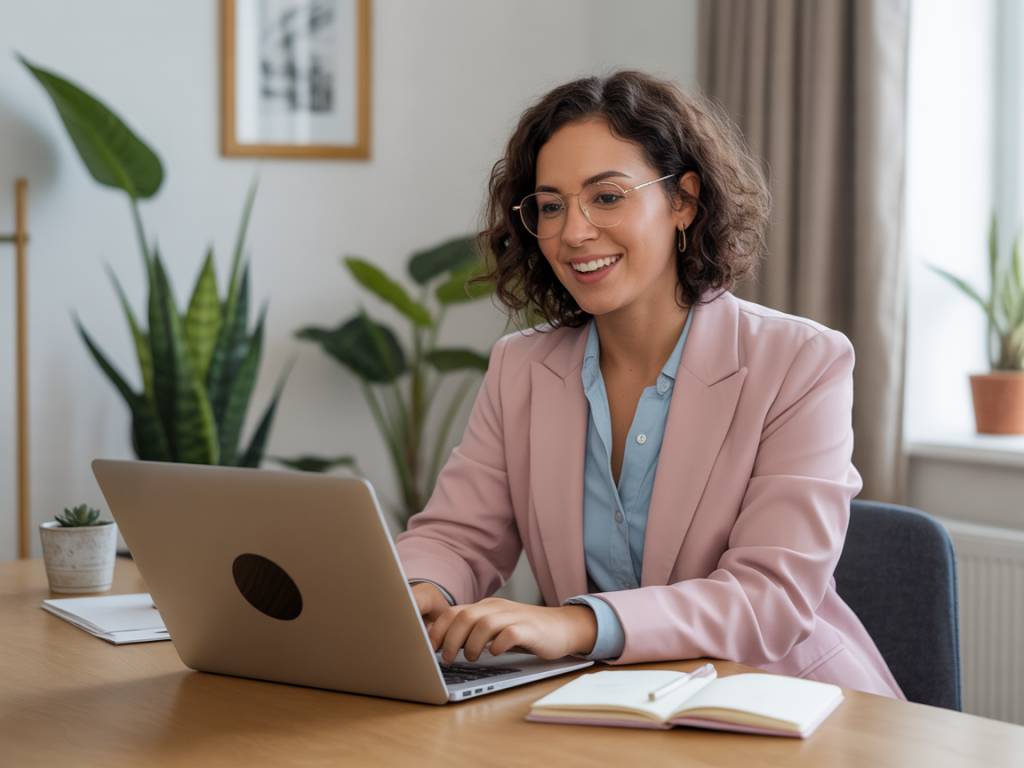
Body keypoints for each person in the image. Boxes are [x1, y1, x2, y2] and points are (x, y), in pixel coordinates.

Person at [395, 70, 904, 699]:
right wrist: (421, 591)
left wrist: (581, 624)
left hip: (781, 704)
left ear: (683, 200)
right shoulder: (520, 367)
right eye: (550, 205)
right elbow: (457, 535)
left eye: (607, 197)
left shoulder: (801, 361)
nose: (573, 232)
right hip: (610, 709)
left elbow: (769, 600)